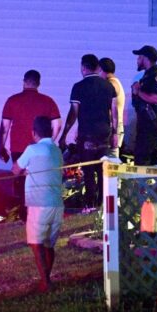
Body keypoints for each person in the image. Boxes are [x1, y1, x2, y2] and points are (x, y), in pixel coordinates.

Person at [0, 69, 62, 219]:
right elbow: (58, 125)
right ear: (38, 83)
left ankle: (23, 214)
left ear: (24, 82)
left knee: (21, 181)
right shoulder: (48, 101)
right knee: (39, 179)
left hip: (18, 148)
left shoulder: (12, 100)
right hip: (41, 150)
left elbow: (5, 127)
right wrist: (49, 141)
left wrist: (1, 147)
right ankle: (38, 213)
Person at [59, 54, 118, 211]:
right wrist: (115, 133)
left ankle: (90, 204)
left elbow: (73, 113)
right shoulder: (108, 87)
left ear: (83, 67)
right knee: (102, 170)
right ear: (98, 67)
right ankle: (102, 205)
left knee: (89, 171)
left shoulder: (78, 87)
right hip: (104, 135)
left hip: (87, 136)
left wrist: (64, 134)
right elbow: (114, 111)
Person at [12, 116, 64, 293]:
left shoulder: (32, 149)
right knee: (49, 244)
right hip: (56, 203)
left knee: (36, 243)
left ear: (34, 133)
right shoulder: (57, 150)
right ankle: (47, 279)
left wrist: (25, 170)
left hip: (38, 202)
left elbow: (15, 169)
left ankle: (45, 282)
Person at [131, 45, 157, 165]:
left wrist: (138, 92)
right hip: (145, 122)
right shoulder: (146, 76)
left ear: (145, 58)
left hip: (151, 122)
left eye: (139, 57)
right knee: (152, 155)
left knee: (142, 157)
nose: (137, 60)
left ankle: (142, 183)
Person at [99, 57, 126, 158]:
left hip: (112, 127)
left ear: (101, 69)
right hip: (113, 126)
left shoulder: (111, 84)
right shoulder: (115, 82)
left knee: (111, 159)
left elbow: (108, 107)